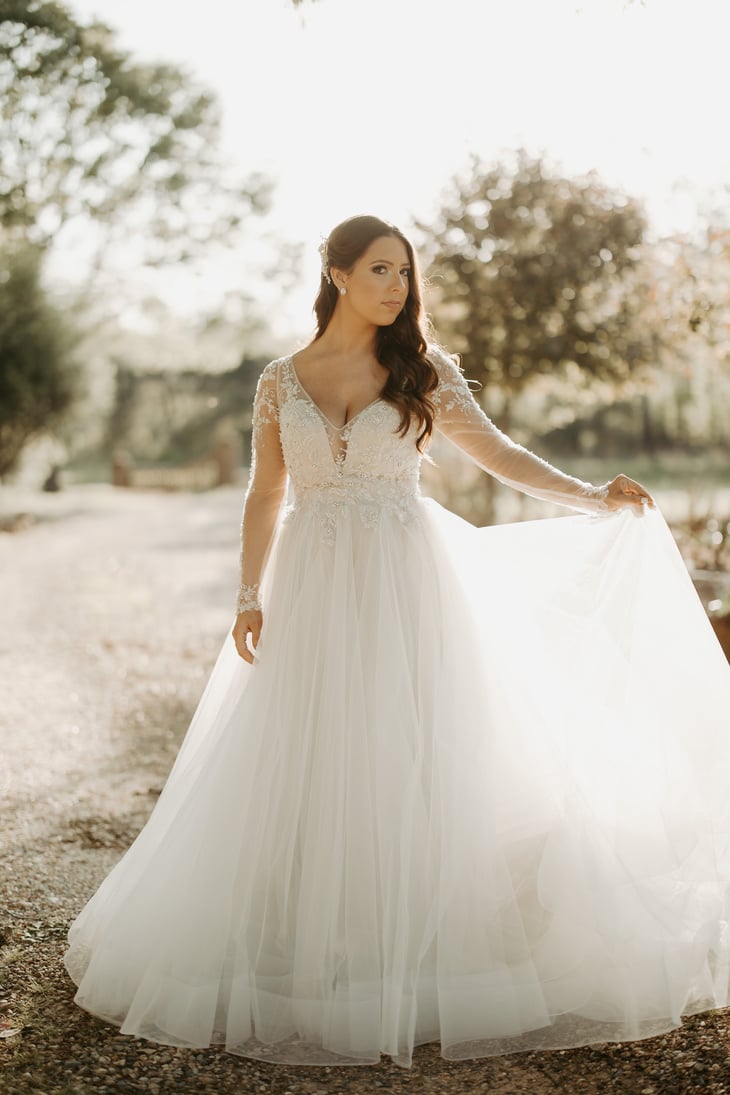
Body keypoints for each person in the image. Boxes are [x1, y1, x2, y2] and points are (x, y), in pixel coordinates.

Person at [65, 215, 730, 1070]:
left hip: (408, 580)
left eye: (405, 274)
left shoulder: (423, 370)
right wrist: (246, 591)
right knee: (312, 753)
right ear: (336, 273)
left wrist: (591, 494)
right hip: (311, 585)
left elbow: (498, 454)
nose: (396, 287)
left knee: (417, 748)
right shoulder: (281, 379)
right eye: (380, 270)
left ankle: (426, 949)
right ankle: (314, 938)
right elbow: (266, 493)